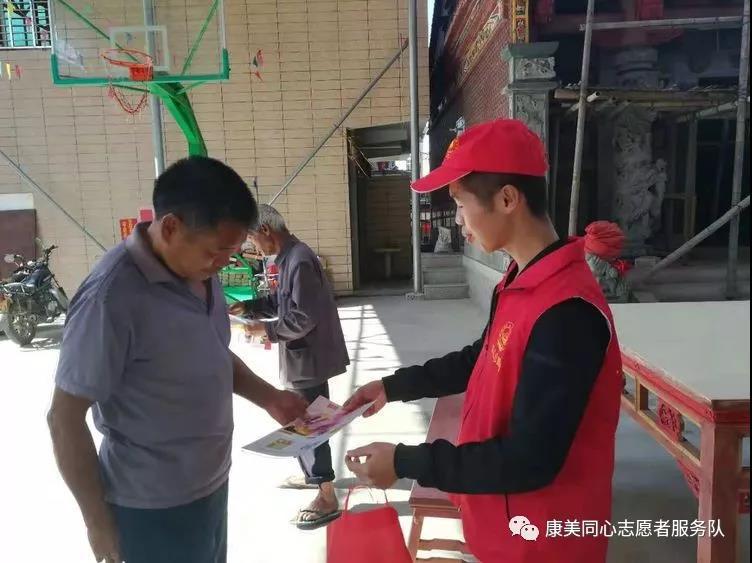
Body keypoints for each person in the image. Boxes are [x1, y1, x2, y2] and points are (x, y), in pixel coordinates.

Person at [343, 119, 622, 563]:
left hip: (543, 544)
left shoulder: (566, 312)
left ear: (507, 199)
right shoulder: (520, 280)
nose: (458, 220)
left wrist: (405, 462)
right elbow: (483, 358)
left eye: (460, 204)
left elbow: (530, 459)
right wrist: (392, 387)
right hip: (501, 527)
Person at [47, 157, 308, 563]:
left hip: (211, 486)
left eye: (233, 252)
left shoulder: (201, 272)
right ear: (170, 227)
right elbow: (63, 418)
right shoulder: (111, 298)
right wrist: (97, 523)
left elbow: (212, 352)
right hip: (150, 507)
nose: (224, 263)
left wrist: (270, 398)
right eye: (217, 252)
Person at [232, 204, 350, 530]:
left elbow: (304, 317)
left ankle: (326, 493)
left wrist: (266, 330)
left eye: (252, 239)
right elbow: (280, 303)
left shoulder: (299, 260)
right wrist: (249, 308)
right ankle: (311, 475)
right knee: (299, 418)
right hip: (299, 356)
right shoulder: (285, 260)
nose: (253, 246)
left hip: (308, 358)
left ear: (266, 230)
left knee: (312, 423)